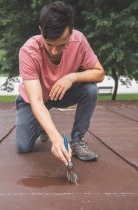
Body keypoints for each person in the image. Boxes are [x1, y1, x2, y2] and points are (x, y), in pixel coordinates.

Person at [15, 1, 105, 167]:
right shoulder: (28, 51)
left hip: (61, 93)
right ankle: (43, 127)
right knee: (23, 146)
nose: (55, 51)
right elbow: (36, 100)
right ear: (41, 30)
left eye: (61, 45)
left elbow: (99, 73)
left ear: (70, 32)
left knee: (90, 89)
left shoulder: (79, 41)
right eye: (49, 45)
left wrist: (71, 77)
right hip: (36, 99)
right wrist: (55, 137)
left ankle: (77, 140)